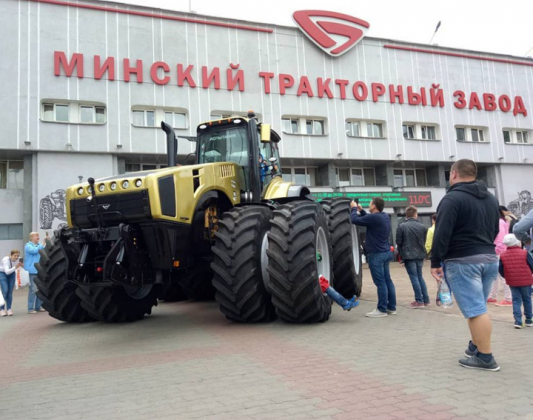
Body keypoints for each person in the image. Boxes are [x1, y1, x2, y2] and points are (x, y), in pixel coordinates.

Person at [431, 159, 500, 372]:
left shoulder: (452, 198)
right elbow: (495, 229)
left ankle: (486, 358)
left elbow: (442, 232)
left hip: (463, 261)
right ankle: (475, 347)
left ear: (453, 174)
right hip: (489, 258)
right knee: (477, 306)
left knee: (476, 310)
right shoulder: (490, 198)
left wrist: (435, 261)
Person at [350, 197, 396, 318]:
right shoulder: (384, 216)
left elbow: (354, 219)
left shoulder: (374, 218)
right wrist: (362, 210)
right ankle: (391, 307)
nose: (369, 205)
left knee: (380, 282)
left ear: (374, 206)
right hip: (385, 252)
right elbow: (369, 220)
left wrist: (354, 208)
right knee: (387, 281)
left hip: (376, 255)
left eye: (370, 203)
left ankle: (381, 310)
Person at [396, 206, 430, 308]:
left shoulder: (402, 226)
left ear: (406, 215)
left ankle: (419, 301)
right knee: (420, 276)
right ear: (416, 215)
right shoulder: (422, 227)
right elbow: (425, 241)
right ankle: (426, 300)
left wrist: (401, 256)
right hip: (420, 255)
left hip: (408, 255)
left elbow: (399, 242)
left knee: (414, 277)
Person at [498, 234, 533, 329]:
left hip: (512, 281)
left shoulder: (503, 255)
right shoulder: (525, 253)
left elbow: (500, 269)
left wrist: (507, 276)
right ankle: (529, 319)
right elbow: (531, 265)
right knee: (527, 299)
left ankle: (518, 321)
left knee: (516, 300)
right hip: (526, 280)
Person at [487, 207, 512, 306]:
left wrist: (496, 251)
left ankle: (508, 298)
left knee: (501, 275)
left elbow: (500, 239)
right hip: (499, 251)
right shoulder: (502, 221)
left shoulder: (499, 222)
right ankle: (492, 296)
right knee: (495, 275)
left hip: (498, 252)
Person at [24, 232, 46, 314]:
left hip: (39, 270)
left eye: (38, 236)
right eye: (36, 236)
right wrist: (43, 243)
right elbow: (34, 251)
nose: (38, 237)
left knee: (39, 288)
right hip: (32, 270)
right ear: (31, 237)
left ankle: (38, 306)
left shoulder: (39, 245)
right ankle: (30, 308)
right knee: (33, 289)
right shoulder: (28, 246)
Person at [0, 250, 23, 316]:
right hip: (2, 273)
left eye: (17, 256)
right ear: (11, 255)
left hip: (12, 274)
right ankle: (2, 309)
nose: (16, 257)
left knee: (10, 292)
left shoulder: (19, 259)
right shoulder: (5, 260)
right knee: (5, 291)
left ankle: (9, 309)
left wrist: (22, 265)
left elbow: (22, 267)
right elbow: (7, 271)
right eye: (14, 256)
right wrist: (15, 267)